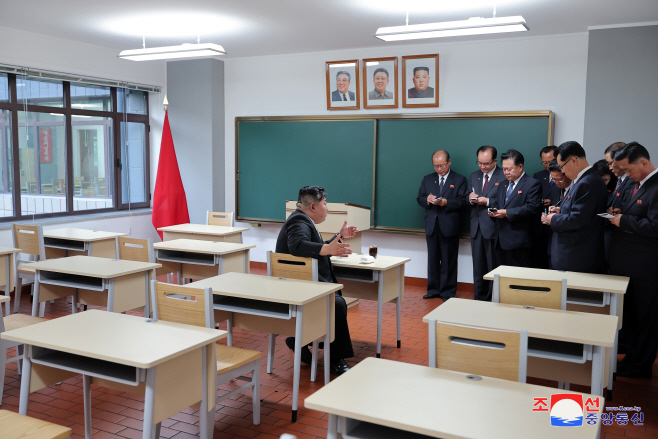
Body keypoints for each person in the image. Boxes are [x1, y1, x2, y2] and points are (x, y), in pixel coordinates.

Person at [275, 185, 357, 376]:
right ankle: (336, 359)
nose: (327, 208)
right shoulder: (298, 222)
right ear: (313, 207)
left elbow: (317, 247)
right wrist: (327, 249)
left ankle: (299, 340)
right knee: (336, 304)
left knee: (335, 301)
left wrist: (339, 237)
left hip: (303, 285)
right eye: (325, 203)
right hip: (299, 289)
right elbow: (298, 245)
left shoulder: (303, 220)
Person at [607, 142, 658, 378]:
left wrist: (623, 221)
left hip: (647, 266)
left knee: (646, 319)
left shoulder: (656, 186)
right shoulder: (640, 184)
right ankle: (632, 359)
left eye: (628, 170)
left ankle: (640, 366)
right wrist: (621, 214)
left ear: (644, 163)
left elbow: (655, 226)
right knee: (634, 316)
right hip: (632, 264)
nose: (626, 175)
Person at [543, 141, 608, 273]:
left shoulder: (588, 182)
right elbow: (582, 211)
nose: (562, 171)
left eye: (562, 166)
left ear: (573, 160)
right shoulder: (583, 180)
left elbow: (577, 219)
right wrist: (561, 210)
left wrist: (552, 219)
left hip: (577, 255)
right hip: (573, 253)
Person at [417, 150, 467, 300]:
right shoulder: (427, 179)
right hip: (432, 225)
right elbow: (419, 198)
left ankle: (447, 291)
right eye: (436, 166)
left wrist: (446, 202)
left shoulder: (459, 179)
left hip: (449, 225)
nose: (439, 169)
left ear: (449, 162)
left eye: (442, 165)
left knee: (448, 260)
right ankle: (433, 289)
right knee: (433, 259)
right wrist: (427, 199)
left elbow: (463, 201)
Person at [488, 149, 542, 267]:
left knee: (518, 280)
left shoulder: (532, 184)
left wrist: (507, 213)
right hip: (500, 240)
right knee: (501, 278)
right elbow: (497, 203)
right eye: (504, 169)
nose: (506, 172)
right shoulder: (502, 184)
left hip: (520, 242)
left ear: (520, 166)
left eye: (509, 169)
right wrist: (493, 210)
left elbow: (532, 208)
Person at [468, 145, 506, 301]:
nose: (483, 166)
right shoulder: (473, 175)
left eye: (487, 163)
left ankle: (492, 299)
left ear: (495, 161)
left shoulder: (503, 175)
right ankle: (479, 298)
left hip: (493, 227)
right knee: (478, 266)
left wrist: (489, 201)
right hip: (476, 228)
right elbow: (466, 195)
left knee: (493, 266)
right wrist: (470, 197)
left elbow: (507, 200)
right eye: (480, 163)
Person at [544, 159, 573, 268]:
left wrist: (556, 217)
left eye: (559, 179)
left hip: (570, 245)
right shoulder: (556, 189)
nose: (556, 183)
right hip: (554, 242)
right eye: (553, 179)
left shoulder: (576, 189)